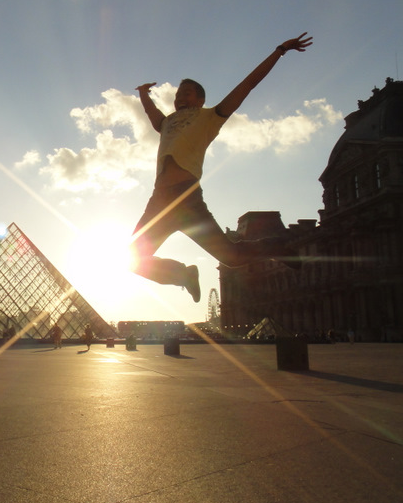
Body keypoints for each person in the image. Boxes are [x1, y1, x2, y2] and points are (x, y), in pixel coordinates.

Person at [130, 33, 313, 302]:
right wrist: (144, 94)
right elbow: (150, 113)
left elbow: (248, 84)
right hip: (159, 201)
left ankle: (276, 246)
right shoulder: (166, 123)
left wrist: (280, 50)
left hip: (186, 197)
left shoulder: (210, 117)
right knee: (132, 259)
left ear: (200, 100)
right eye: (178, 94)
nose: (180, 97)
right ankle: (184, 275)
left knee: (232, 258)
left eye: (187, 93)